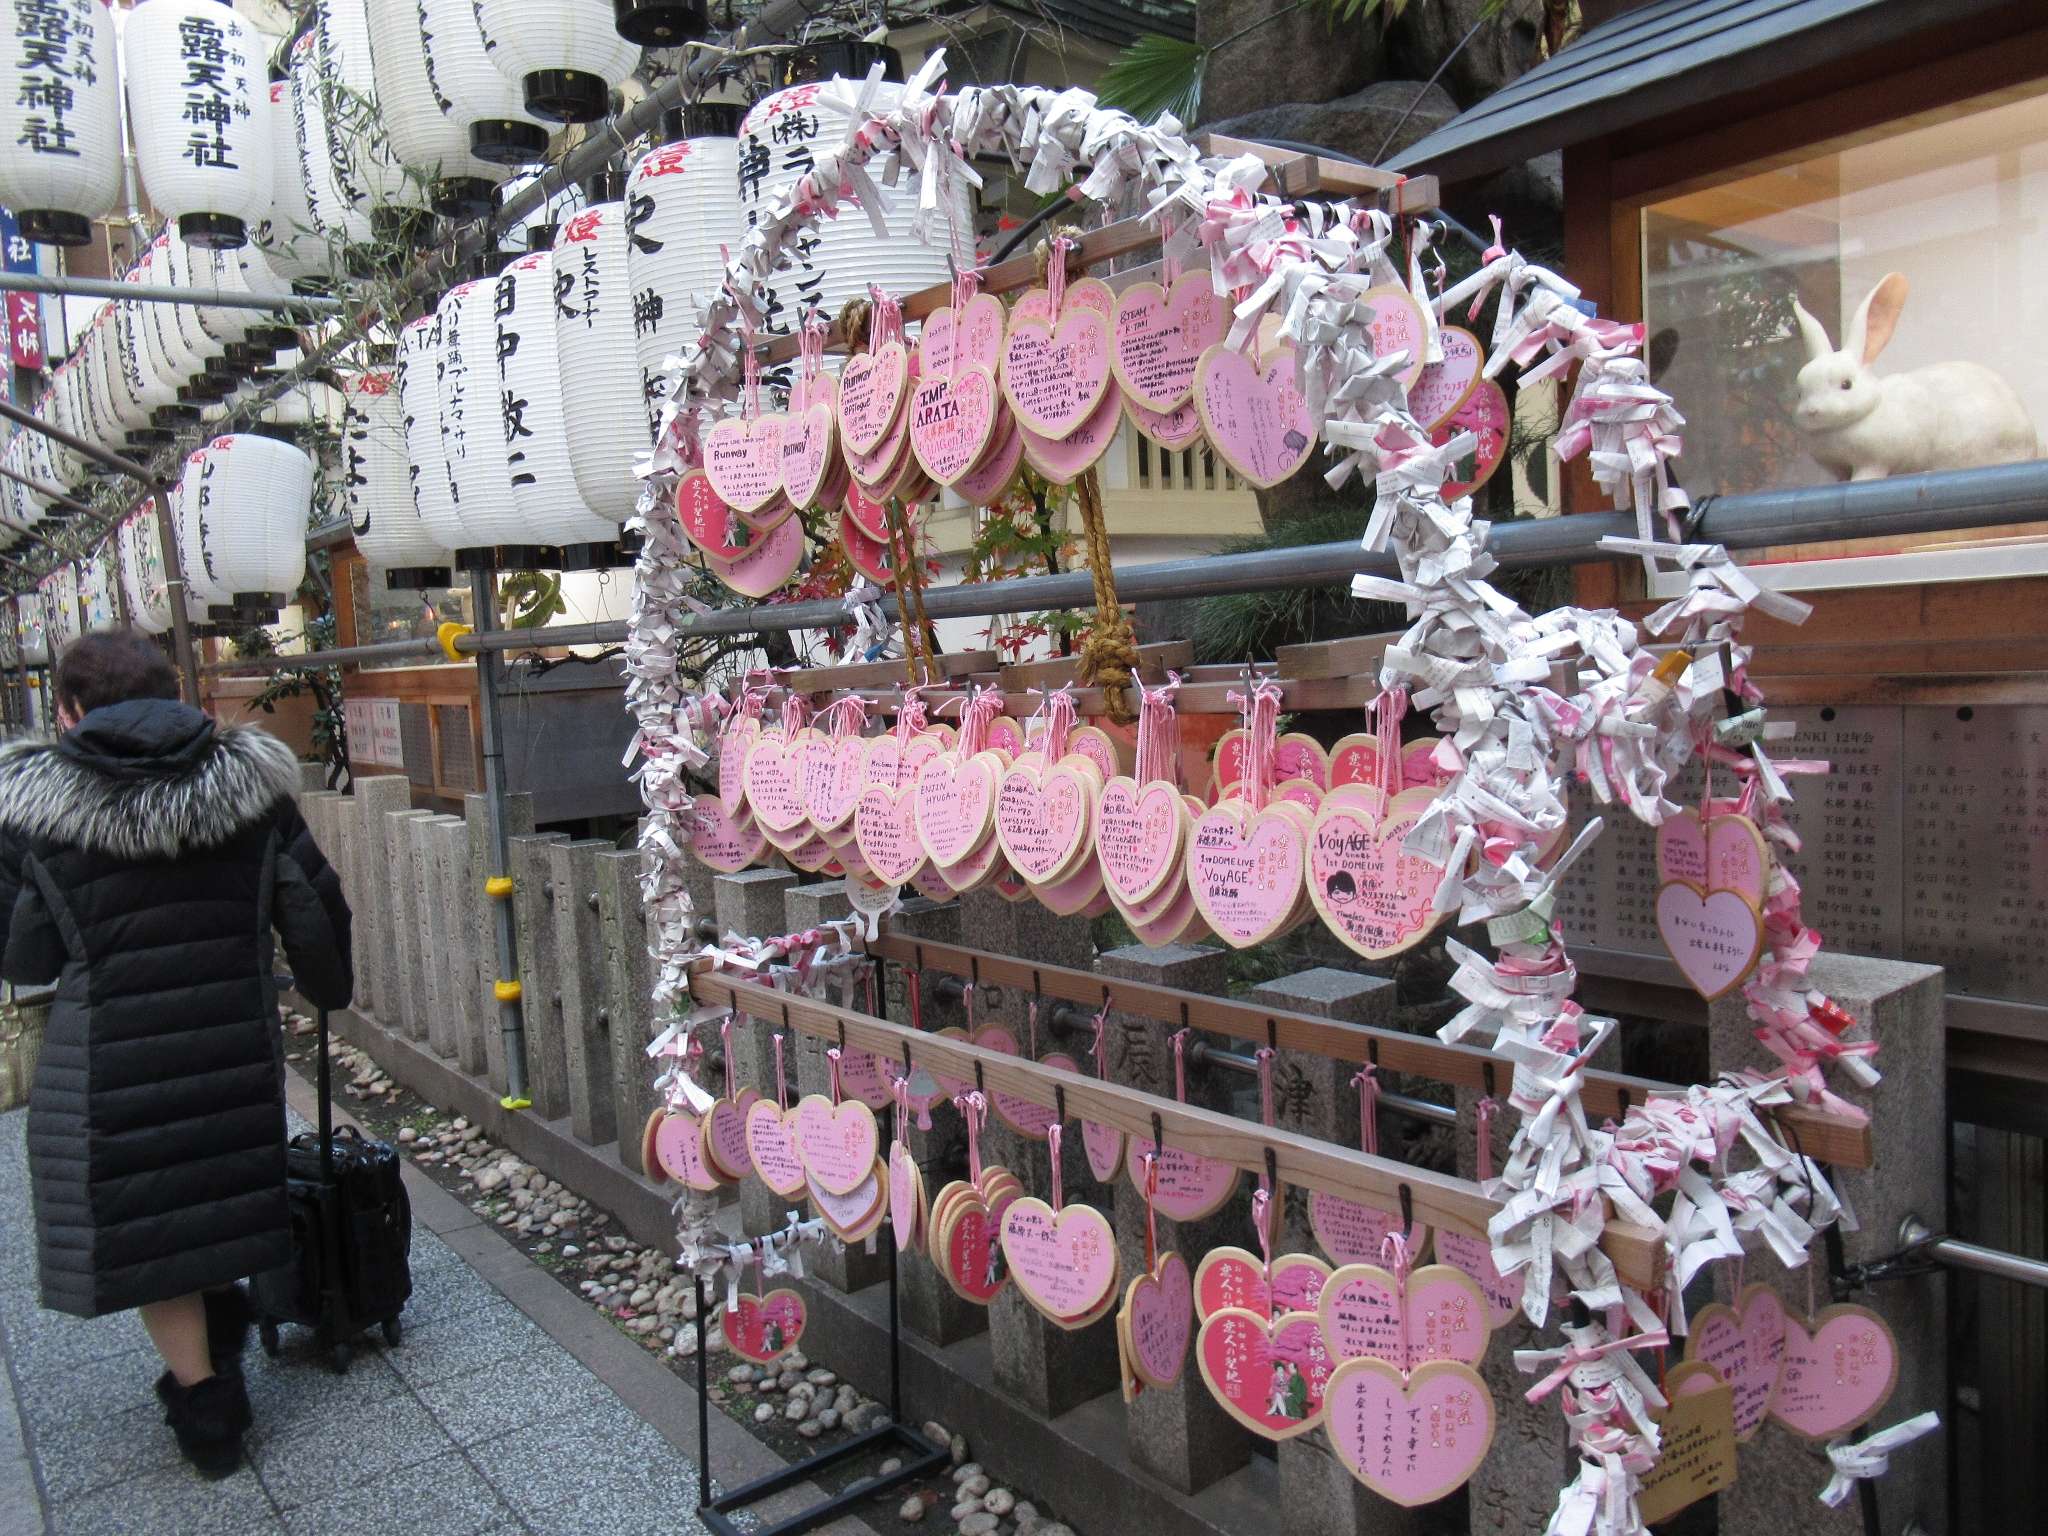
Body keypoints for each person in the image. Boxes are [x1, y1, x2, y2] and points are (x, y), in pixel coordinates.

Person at [0, 631, 353, 1478]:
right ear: (175, 694)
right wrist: (326, 986)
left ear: (69, 712)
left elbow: (25, 962)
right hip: (232, 1041)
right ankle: (219, 1335)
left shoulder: (31, 813)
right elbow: (314, 909)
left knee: (154, 1227)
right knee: (216, 1185)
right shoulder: (254, 791)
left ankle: (208, 1412)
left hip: (105, 1067)